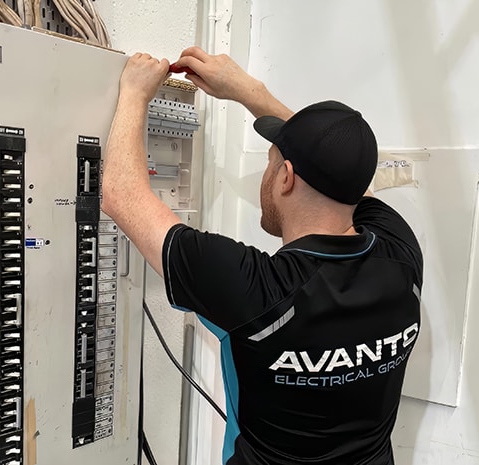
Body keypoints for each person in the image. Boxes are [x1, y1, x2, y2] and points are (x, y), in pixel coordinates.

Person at [101, 46, 423, 465]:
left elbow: (119, 195)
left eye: (272, 163)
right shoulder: (401, 255)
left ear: (285, 178)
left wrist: (134, 92)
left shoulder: (255, 290)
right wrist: (249, 90)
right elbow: (347, 175)